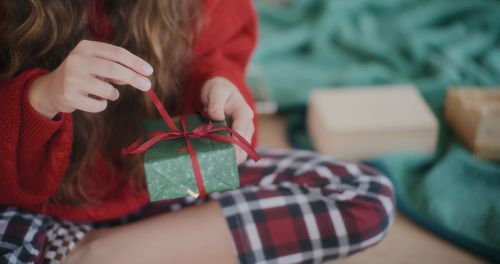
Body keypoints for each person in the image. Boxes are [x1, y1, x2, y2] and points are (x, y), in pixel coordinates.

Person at [0, 0, 395, 263]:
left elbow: (218, 51)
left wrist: (218, 85)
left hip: (155, 186)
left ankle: (89, 254)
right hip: (27, 204)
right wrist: (41, 97)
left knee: (362, 195)